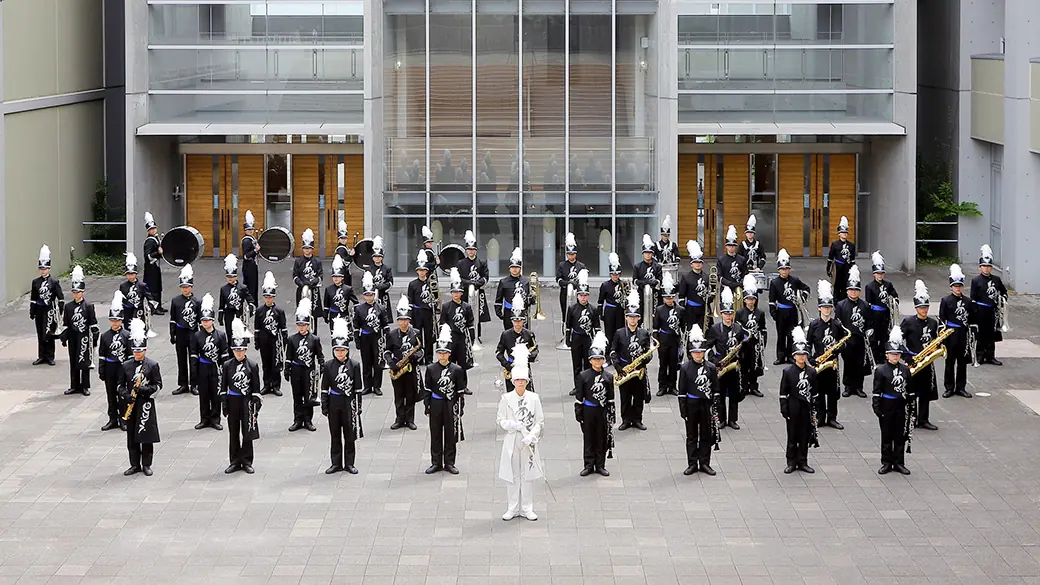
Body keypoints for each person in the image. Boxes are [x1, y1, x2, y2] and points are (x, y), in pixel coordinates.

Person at [497, 352, 544, 521]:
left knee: (528, 475)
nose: (520, 383)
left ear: (527, 382)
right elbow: (500, 420)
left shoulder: (534, 398)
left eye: (523, 380)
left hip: (527, 440)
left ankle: (527, 507)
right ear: (513, 382)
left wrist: (532, 436)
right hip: (512, 439)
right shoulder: (506, 398)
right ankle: (512, 507)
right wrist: (512, 425)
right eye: (517, 380)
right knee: (513, 474)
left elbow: (540, 421)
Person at [117, 319, 162, 477]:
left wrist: (143, 390)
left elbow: (158, 386)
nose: (137, 353)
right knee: (131, 436)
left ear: (145, 350)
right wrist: (126, 396)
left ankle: (147, 464)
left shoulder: (152, 365)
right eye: (135, 351)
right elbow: (119, 386)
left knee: (146, 435)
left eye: (140, 350)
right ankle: (134, 464)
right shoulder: (126, 365)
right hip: (131, 405)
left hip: (146, 405)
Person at [424, 325, 468, 475]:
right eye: (440, 353)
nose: (442, 356)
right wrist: (427, 406)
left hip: (450, 404)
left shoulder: (456, 369)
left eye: (445, 353)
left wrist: (460, 409)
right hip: (436, 403)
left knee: (450, 434)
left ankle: (450, 462)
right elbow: (428, 390)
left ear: (449, 354)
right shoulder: (430, 369)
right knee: (435, 433)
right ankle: (436, 462)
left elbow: (460, 391)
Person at [321, 318, 363, 474]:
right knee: (335, 434)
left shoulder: (355, 365)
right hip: (334, 402)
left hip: (349, 403)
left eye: (342, 350)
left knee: (350, 434)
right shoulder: (328, 365)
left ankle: (350, 463)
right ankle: (336, 463)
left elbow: (358, 388)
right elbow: (324, 387)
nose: (339, 352)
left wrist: (358, 407)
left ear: (347, 350)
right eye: (337, 350)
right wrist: (324, 405)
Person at [609, 288, 653, 431]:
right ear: (626, 317)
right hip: (625, 370)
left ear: (638, 318)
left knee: (639, 397)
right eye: (630, 317)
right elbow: (613, 351)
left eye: (635, 317)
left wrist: (644, 361)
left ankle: (638, 419)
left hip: (639, 370)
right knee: (625, 397)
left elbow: (649, 352)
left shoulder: (644, 333)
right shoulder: (619, 333)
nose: (633, 319)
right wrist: (617, 367)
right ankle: (626, 420)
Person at [221, 319, 261, 474]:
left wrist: (255, 404)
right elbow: (223, 386)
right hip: (233, 401)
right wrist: (224, 404)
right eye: (236, 350)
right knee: (233, 432)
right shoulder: (227, 365)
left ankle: (247, 460)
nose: (238, 353)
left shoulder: (252, 365)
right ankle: (234, 460)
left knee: (247, 431)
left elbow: (256, 388)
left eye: (241, 350)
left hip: (246, 402)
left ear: (245, 350)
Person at [678, 325, 719, 476]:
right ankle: (692, 463)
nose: (698, 354)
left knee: (706, 435)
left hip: (706, 405)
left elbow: (716, 390)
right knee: (691, 435)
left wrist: (715, 408)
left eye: (700, 352)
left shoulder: (711, 367)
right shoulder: (685, 368)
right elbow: (682, 391)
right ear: (691, 353)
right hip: (691, 404)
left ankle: (705, 462)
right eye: (695, 352)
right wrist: (683, 410)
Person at [807, 280, 847, 430]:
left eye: (829, 307)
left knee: (832, 392)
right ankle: (821, 417)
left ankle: (832, 418)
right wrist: (810, 358)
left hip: (832, 363)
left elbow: (844, 341)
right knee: (819, 390)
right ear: (819, 308)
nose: (826, 309)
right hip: (819, 361)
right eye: (824, 307)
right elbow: (807, 343)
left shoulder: (837, 324)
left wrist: (839, 349)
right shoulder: (814, 325)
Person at [574, 331, 614, 477]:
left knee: (602, 438)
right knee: (589, 438)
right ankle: (588, 464)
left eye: (600, 359)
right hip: (589, 410)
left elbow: (610, 398)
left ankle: (600, 464)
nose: (597, 362)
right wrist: (579, 413)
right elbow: (579, 397)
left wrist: (611, 415)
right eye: (595, 359)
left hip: (602, 411)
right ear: (590, 360)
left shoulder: (608, 377)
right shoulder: (584, 376)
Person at [901, 280, 940, 431]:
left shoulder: (933, 323)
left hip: (927, 360)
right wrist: (906, 356)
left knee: (925, 392)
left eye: (925, 307)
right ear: (916, 308)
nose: (923, 310)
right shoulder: (908, 322)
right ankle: (912, 418)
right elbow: (898, 340)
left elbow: (935, 340)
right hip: (914, 360)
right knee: (911, 392)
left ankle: (924, 419)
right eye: (921, 307)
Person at [873, 326, 912, 475]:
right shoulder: (881, 370)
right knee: (887, 435)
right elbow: (877, 391)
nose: (895, 357)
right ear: (887, 354)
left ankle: (899, 462)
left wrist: (910, 404)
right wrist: (877, 408)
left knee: (900, 435)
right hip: (887, 405)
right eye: (893, 354)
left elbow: (910, 389)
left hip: (901, 405)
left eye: (897, 354)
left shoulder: (905, 370)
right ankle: (886, 462)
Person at [779, 327, 817, 474]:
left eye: (804, 355)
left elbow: (815, 392)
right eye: (799, 355)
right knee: (792, 435)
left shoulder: (812, 372)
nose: (801, 357)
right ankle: (791, 461)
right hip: (793, 405)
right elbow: (783, 392)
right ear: (794, 356)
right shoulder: (788, 372)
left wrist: (815, 409)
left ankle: (803, 461)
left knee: (804, 435)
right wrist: (784, 409)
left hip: (806, 407)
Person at [707, 287, 745, 430]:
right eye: (725, 314)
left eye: (730, 313)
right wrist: (714, 361)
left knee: (734, 394)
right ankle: (722, 419)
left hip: (734, 365)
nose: (728, 316)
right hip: (721, 365)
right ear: (721, 314)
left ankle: (733, 419)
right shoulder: (715, 329)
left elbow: (742, 346)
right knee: (721, 393)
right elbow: (708, 347)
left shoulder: (738, 328)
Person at [285, 296, 325, 432]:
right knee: (297, 396)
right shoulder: (291, 339)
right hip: (296, 370)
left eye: (304, 325)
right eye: (299, 325)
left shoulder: (314, 339)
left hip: (309, 370)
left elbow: (319, 354)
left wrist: (322, 364)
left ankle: (308, 420)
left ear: (308, 325)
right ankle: (297, 419)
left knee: (309, 396)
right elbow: (289, 355)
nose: (301, 327)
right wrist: (287, 368)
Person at [384, 295, 424, 431]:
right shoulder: (391, 334)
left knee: (410, 395)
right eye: (401, 320)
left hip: (411, 369)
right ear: (397, 321)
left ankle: (410, 420)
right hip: (397, 369)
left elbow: (421, 350)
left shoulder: (416, 333)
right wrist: (390, 362)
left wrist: (416, 357)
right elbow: (387, 351)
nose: (403, 323)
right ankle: (399, 419)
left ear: (409, 320)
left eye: (405, 320)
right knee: (399, 396)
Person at [189, 293, 228, 431]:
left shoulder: (221, 335)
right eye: (203, 320)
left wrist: (225, 371)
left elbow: (224, 354)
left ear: (212, 321)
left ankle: (215, 419)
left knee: (215, 394)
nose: (205, 323)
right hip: (203, 367)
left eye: (208, 320)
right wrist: (193, 373)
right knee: (204, 395)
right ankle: (204, 418)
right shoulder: (197, 336)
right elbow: (193, 354)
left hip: (215, 367)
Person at [59, 266, 99, 397]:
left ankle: (85, 386)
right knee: (73, 361)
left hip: (84, 337)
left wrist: (95, 338)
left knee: (85, 361)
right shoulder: (68, 306)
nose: (75, 294)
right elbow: (66, 324)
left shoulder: (88, 306)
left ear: (83, 292)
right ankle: (74, 385)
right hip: (73, 337)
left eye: (78, 292)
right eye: (74, 292)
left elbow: (93, 323)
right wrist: (64, 337)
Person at [768, 249, 811, 366]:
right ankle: (780, 356)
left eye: (786, 269)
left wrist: (803, 297)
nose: (784, 271)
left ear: (789, 269)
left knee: (792, 334)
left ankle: (791, 355)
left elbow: (806, 288)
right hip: (781, 311)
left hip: (792, 310)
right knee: (781, 335)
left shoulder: (794, 280)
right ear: (779, 270)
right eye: (782, 269)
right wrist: (773, 312)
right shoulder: (774, 282)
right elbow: (771, 300)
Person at [98, 291, 131, 431]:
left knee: (122, 394)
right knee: (110, 394)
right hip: (110, 368)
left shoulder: (127, 335)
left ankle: (124, 419)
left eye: (117, 320)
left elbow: (130, 355)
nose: (114, 322)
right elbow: (102, 355)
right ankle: (112, 418)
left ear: (121, 320)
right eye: (112, 320)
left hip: (122, 368)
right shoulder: (104, 336)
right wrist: (102, 369)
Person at [835, 265, 869, 399]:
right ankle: (848, 386)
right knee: (848, 363)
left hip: (860, 339)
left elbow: (869, 321)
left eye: (856, 290)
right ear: (847, 291)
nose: (853, 292)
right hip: (847, 339)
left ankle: (859, 387)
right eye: (851, 290)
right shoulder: (841, 305)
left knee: (860, 363)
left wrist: (870, 331)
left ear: (859, 291)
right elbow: (837, 323)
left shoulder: (865, 306)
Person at [565, 269, 600, 397]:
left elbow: (597, 326)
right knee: (576, 364)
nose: (583, 298)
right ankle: (577, 386)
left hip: (588, 338)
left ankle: (588, 385)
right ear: (577, 295)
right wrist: (567, 338)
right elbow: (568, 325)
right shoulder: (572, 308)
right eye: (581, 295)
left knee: (588, 363)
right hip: (576, 338)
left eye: (585, 295)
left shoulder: (593, 309)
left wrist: (597, 341)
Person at [972, 244, 1008, 366]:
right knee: (981, 333)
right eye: (984, 266)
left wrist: (1002, 301)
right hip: (981, 309)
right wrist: (975, 312)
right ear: (980, 267)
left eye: (988, 266)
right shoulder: (976, 281)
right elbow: (973, 297)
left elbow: (1004, 292)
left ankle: (991, 356)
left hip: (992, 310)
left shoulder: (996, 280)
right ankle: (980, 356)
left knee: (991, 333)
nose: (986, 269)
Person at [940, 264, 973, 398]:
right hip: (951, 334)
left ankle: (961, 387)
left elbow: (972, 318)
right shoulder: (945, 300)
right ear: (951, 287)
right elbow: (942, 319)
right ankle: (949, 387)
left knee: (962, 362)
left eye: (959, 286)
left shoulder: (968, 301)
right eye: (955, 286)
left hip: (963, 334)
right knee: (949, 362)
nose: (957, 288)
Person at [496, 291, 539, 393]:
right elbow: (498, 352)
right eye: (515, 321)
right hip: (511, 366)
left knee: (528, 392)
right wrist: (506, 364)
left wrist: (528, 356)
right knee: (511, 394)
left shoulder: (529, 334)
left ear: (523, 321)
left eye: (520, 321)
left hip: (524, 366)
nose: (517, 323)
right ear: (512, 321)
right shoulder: (505, 335)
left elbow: (535, 349)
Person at [355, 272, 389, 396]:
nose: (369, 297)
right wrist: (357, 340)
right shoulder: (359, 309)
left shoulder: (381, 308)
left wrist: (387, 340)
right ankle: (367, 386)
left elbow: (385, 325)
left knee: (378, 362)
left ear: (374, 295)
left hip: (377, 337)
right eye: (367, 295)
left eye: (371, 295)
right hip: (365, 337)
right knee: (366, 362)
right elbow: (356, 326)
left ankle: (377, 386)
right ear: (364, 296)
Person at [169, 265, 201, 396]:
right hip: (181, 332)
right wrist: (172, 333)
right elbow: (173, 318)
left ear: (191, 287)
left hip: (193, 332)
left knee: (194, 359)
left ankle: (194, 384)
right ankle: (183, 384)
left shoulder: (197, 302)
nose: (185, 289)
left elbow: (200, 319)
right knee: (181, 359)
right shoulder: (175, 301)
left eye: (187, 286)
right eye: (183, 287)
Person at [255, 272, 288, 397]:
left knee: (276, 363)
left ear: (273, 297)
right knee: (265, 363)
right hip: (264, 340)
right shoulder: (259, 311)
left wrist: (284, 342)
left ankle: (276, 385)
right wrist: (257, 340)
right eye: (266, 297)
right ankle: (266, 384)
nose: (268, 299)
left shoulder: (279, 311)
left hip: (275, 340)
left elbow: (283, 328)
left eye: (270, 297)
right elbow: (257, 327)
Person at [864, 251, 900, 366]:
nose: (880, 275)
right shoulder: (869, 286)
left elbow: (895, 295)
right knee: (874, 337)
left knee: (885, 337)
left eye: (881, 273)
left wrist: (894, 301)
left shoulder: (888, 284)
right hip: (875, 315)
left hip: (886, 314)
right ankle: (875, 357)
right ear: (874, 274)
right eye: (878, 273)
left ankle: (883, 356)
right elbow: (868, 303)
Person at [30, 244, 63, 366]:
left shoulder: (54, 282)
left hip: (50, 310)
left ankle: (50, 356)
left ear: (49, 269)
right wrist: (32, 311)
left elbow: (60, 298)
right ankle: (41, 356)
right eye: (41, 268)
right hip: (39, 309)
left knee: (49, 332)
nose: (43, 270)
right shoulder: (35, 282)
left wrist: (59, 310)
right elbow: (33, 298)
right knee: (40, 332)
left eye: (45, 268)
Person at [736, 274, 767, 398]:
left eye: (752, 299)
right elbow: (737, 329)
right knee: (743, 366)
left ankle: (753, 386)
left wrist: (763, 342)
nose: (750, 301)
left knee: (755, 365)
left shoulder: (760, 313)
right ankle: (743, 386)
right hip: (744, 343)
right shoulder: (739, 313)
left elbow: (763, 328)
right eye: (748, 299)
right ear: (744, 300)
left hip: (755, 343)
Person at [654, 272, 684, 397]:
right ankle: (662, 386)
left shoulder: (680, 310)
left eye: (671, 297)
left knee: (673, 364)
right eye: (667, 298)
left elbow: (683, 325)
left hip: (675, 339)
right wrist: (656, 341)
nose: (669, 300)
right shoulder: (659, 309)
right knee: (663, 364)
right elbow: (655, 327)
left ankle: (672, 386)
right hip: (663, 339)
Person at [457, 230, 490, 343]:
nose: (471, 251)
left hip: (478, 292)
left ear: (475, 251)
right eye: (469, 250)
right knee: (464, 313)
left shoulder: (482, 262)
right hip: (465, 292)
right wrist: (469, 283)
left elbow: (486, 277)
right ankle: (465, 334)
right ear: (466, 251)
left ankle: (477, 336)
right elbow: (459, 278)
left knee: (477, 314)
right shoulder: (461, 263)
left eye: (473, 250)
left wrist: (477, 283)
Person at [441, 268, 475, 376]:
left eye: (458, 292)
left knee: (462, 363)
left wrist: (471, 339)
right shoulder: (446, 306)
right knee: (450, 362)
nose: (456, 294)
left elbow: (470, 323)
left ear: (461, 293)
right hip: (451, 337)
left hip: (462, 337)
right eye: (454, 292)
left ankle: (463, 385)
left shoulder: (467, 307)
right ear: (451, 293)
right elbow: (442, 322)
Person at [407, 250, 437, 365]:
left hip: (428, 312)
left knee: (429, 336)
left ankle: (429, 357)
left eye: (423, 270)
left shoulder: (431, 282)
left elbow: (435, 297)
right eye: (419, 270)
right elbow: (410, 300)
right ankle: (419, 356)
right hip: (417, 312)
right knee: (417, 336)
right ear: (417, 271)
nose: (421, 272)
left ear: (427, 271)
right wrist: (410, 316)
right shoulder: (412, 284)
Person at [556, 233, 586, 345]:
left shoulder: (581, 266)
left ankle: (576, 334)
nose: (571, 256)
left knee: (578, 313)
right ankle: (565, 336)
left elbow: (584, 281)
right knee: (565, 314)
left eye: (573, 254)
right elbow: (558, 280)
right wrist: (568, 283)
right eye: (569, 254)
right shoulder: (562, 265)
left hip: (577, 294)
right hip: (565, 293)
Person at [293, 229, 324, 333]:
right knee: (302, 313)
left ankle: (314, 333)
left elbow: (320, 275)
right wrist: (302, 284)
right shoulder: (298, 261)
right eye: (305, 248)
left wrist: (313, 282)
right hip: (301, 291)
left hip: (313, 290)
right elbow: (295, 276)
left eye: (309, 248)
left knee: (313, 314)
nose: (307, 250)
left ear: (312, 249)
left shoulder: (317, 261)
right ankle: (302, 332)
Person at [678, 241, 711, 332]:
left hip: (704, 308)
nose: (698, 264)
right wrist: (682, 310)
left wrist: (711, 297)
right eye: (695, 262)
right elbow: (681, 295)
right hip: (691, 310)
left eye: (700, 262)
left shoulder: (706, 277)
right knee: (690, 331)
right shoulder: (686, 277)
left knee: (705, 331)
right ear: (691, 264)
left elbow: (711, 292)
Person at [495, 247, 530, 331]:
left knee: (523, 334)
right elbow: (498, 299)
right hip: (508, 312)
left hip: (522, 311)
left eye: (517, 267)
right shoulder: (503, 282)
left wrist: (531, 299)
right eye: (513, 267)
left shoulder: (526, 281)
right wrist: (499, 312)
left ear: (520, 268)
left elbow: (529, 298)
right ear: (509, 268)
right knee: (509, 334)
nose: (515, 269)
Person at [218, 254, 253, 336]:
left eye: (232, 276)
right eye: (228, 276)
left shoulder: (242, 287)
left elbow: (250, 299)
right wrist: (220, 316)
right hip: (229, 313)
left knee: (240, 334)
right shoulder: (223, 289)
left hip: (239, 313)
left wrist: (250, 308)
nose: (230, 278)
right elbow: (221, 305)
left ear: (236, 276)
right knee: (230, 334)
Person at [324, 255, 358, 333]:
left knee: (345, 336)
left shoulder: (348, 289)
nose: (336, 278)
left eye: (338, 277)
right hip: (333, 315)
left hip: (344, 314)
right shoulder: (328, 289)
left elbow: (356, 302)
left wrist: (355, 313)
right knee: (334, 335)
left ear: (342, 277)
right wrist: (325, 315)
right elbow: (326, 305)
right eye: (334, 277)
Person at [598, 253, 626, 344]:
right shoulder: (605, 285)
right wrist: (600, 313)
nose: (615, 276)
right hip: (609, 310)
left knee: (620, 332)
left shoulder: (624, 284)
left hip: (620, 311)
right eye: (613, 274)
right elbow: (600, 301)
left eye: (617, 274)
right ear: (610, 274)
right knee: (609, 333)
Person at [827, 215, 856, 298]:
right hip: (837, 267)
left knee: (845, 285)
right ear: (839, 234)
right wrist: (828, 268)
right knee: (836, 285)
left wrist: (853, 271)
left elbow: (852, 259)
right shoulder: (835, 244)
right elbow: (830, 257)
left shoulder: (851, 245)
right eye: (843, 233)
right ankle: (836, 302)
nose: (844, 234)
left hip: (847, 267)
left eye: (846, 233)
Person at [633, 234, 662, 318]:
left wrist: (654, 283)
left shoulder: (658, 266)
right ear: (643, 254)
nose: (648, 255)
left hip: (655, 295)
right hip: (641, 294)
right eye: (646, 253)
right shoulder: (637, 266)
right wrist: (646, 283)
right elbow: (634, 281)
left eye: (650, 253)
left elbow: (660, 280)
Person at [142, 212, 165, 315]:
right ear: (148, 230)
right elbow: (148, 256)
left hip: (155, 267)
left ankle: (159, 306)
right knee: (153, 288)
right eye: (151, 229)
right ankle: (154, 308)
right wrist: (158, 253)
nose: (153, 230)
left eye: (154, 228)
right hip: (150, 268)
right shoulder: (149, 241)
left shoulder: (156, 238)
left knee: (158, 287)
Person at [119, 253, 150, 324]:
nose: (130, 276)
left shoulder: (142, 285)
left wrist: (150, 308)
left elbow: (150, 298)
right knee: (127, 329)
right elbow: (121, 300)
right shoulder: (123, 286)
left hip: (139, 311)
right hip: (127, 312)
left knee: (139, 329)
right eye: (128, 274)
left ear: (135, 274)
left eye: (132, 274)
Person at [717, 226, 747, 295]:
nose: (731, 248)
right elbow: (719, 276)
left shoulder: (742, 259)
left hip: (739, 288)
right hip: (726, 289)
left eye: (733, 246)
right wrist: (729, 283)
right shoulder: (721, 259)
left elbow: (745, 273)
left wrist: (740, 284)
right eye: (729, 246)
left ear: (736, 246)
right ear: (726, 246)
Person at [369, 236, 394, 313]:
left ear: (382, 257)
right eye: (375, 257)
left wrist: (380, 287)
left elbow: (390, 283)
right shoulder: (369, 269)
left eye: (379, 256)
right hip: (371, 295)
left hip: (383, 295)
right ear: (373, 258)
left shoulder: (387, 269)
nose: (377, 258)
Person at [241, 210, 261, 304]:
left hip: (253, 265)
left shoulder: (252, 238)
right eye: (249, 230)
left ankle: (254, 302)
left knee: (254, 285)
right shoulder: (246, 241)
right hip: (248, 266)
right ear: (245, 231)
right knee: (250, 285)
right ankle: (251, 303)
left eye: (252, 229)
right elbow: (246, 256)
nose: (251, 231)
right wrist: (255, 250)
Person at [334, 220, 355, 286]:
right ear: (338, 239)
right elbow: (344, 262)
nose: (344, 239)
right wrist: (351, 255)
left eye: (345, 238)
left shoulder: (344, 246)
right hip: (343, 273)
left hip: (345, 272)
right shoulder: (340, 249)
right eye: (342, 238)